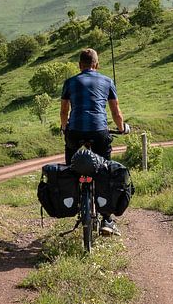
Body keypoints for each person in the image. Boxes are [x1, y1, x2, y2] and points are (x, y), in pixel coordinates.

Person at [60, 47, 128, 235]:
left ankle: (72, 200)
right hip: (99, 131)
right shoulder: (107, 81)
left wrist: (65, 128)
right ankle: (107, 219)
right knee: (104, 169)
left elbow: (64, 112)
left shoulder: (70, 82)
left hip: (74, 132)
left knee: (71, 167)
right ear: (96, 64)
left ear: (79, 65)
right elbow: (115, 112)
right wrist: (122, 128)